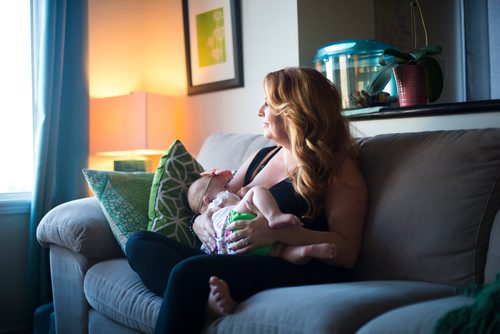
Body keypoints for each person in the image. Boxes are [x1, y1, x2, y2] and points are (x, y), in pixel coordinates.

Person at [126, 67, 368, 333]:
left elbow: (347, 252)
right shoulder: (261, 157)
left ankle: (196, 298)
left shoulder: (337, 168)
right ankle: (204, 302)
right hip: (235, 255)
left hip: (291, 266)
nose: (260, 110)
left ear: (295, 111)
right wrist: (198, 221)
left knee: (187, 272)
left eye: (269, 102)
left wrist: (280, 234)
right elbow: (221, 201)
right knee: (139, 243)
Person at [187, 169, 337, 264]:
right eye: (226, 186)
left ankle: (306, 251)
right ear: (208, 200)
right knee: (256, 191)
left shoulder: (212, 212)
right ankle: (274, 217)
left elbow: (228, 174)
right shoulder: (220, 200)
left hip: (226, 250)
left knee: (281, 253)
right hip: (232, 223)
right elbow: (238, 192)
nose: (231, 188)